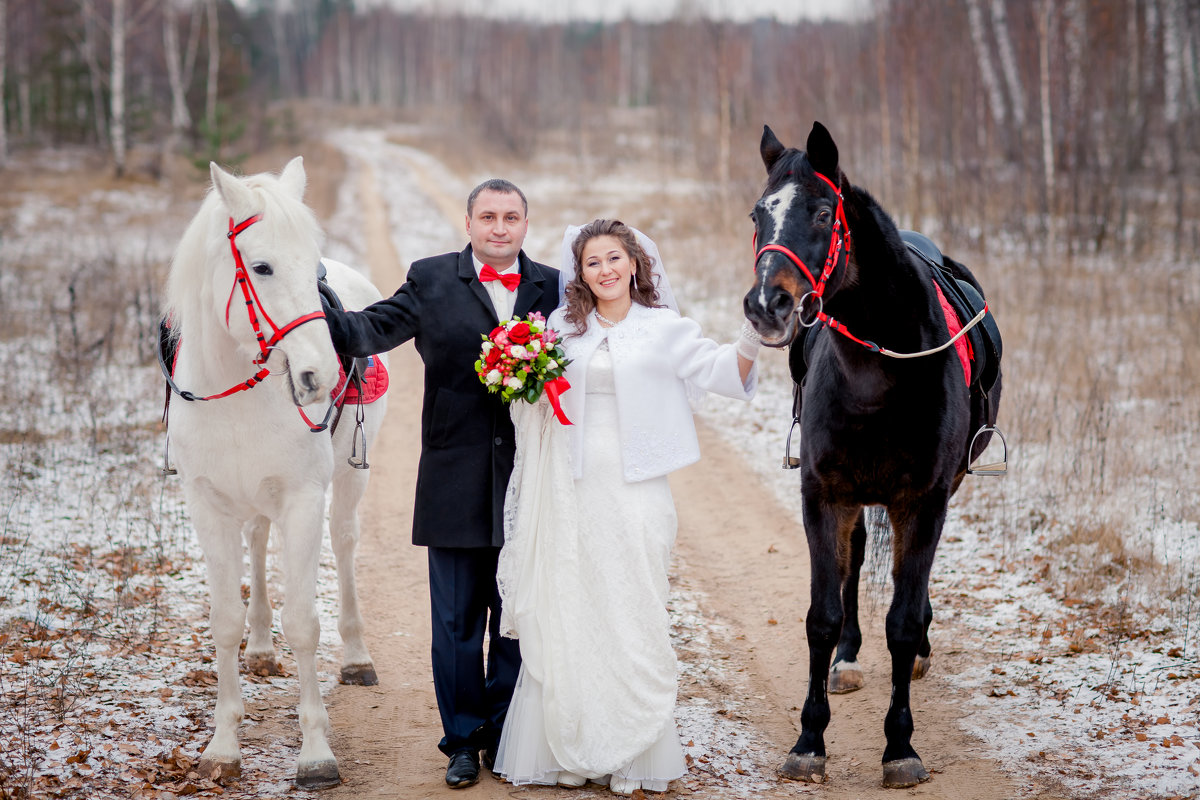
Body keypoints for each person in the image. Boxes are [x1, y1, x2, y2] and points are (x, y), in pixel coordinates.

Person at [493, 219, 761, 795]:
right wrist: (520, 381)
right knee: (573, 607)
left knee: (631, 606)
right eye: (593, 262)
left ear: (634, 264)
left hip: (636, 488)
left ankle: (632, 751)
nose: (606, 269)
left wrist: (752, 336)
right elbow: (536, 402)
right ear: (580, 273)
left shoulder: (663, 328)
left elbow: (723, 375)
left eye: (615, 258)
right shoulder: (559, 330)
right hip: (568, 484)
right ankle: (574, 745)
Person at [321, 180, 561, 789]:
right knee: (455, 623)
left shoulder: (556, 288)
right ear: (469, 222)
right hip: (452, 477)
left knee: (515, 619)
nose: (499, 228)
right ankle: (461, 739)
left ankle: (505, 732)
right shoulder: (430, 279)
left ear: (526, 224)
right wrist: (315, 302)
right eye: (488, 216)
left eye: (511, 217)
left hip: (531, 483)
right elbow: (368, 330)